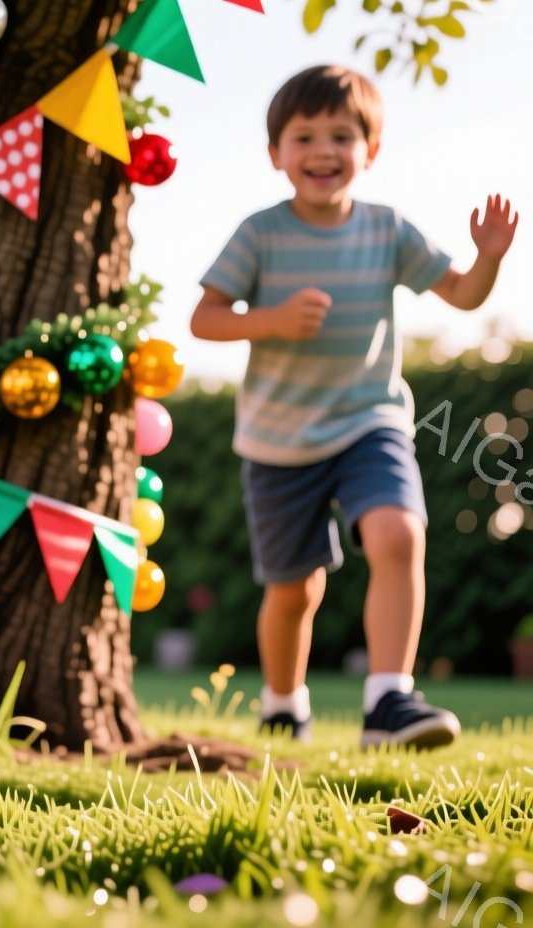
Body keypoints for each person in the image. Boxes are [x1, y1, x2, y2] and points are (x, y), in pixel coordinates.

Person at [191, 65, 518, 748]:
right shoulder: (261, 234)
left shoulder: (386, 229)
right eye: (304, 135)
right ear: (274, 153)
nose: (322, 150)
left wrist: (487, 259)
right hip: (278, 440)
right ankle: (283, 704)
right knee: (295, 590)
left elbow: (461, 294)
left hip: (372, 420)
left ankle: (388, 701)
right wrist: (271, 320)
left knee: (399, 535)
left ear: (371, 151)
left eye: (342, 135)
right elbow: (206, 319)